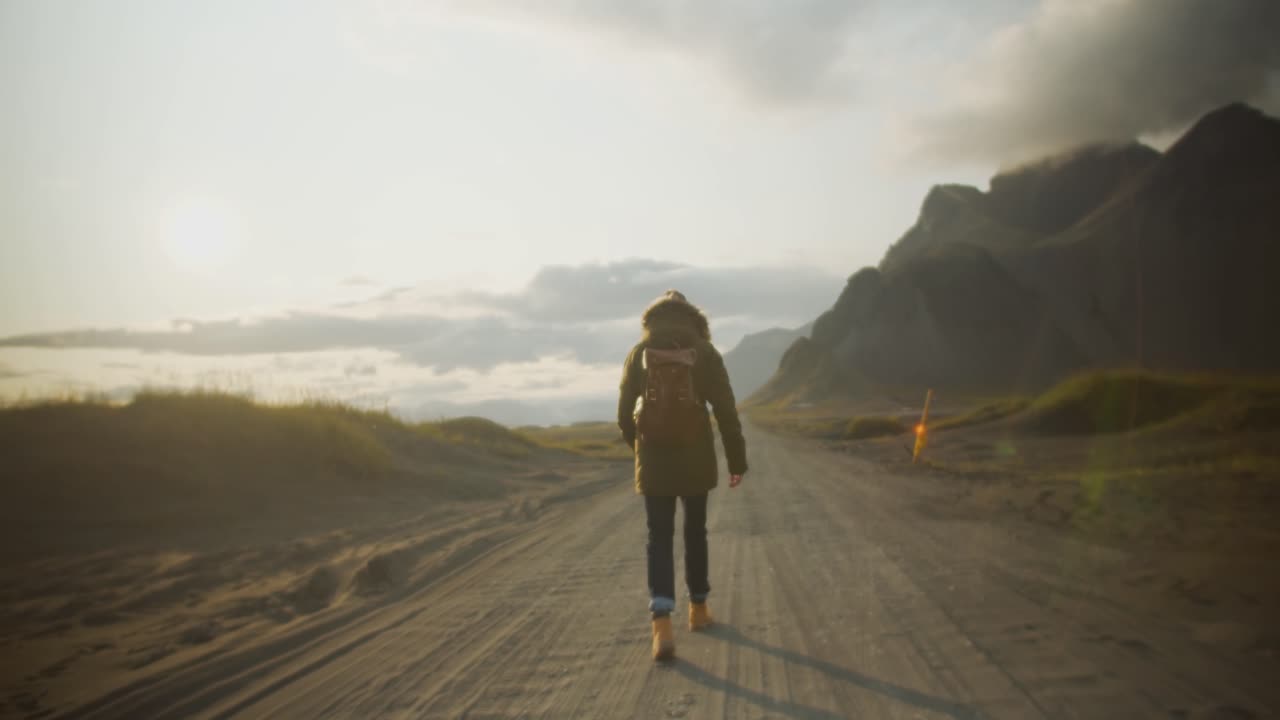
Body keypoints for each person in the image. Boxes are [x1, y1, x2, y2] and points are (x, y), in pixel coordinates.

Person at [617, 289, 748, 661]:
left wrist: (642, 452)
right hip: (696, 460)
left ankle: (662, 627)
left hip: (654, 462)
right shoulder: (705, 353)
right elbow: (726, 412)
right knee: (695, 531)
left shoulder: (638, 353)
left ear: (652, 317)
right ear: (692, 316)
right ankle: (699, 610)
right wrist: (736, 462)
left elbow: (624, 415)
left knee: (658, 535)